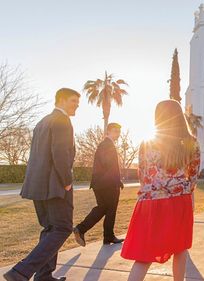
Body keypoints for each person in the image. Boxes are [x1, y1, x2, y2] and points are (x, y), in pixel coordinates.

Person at [3, 88, 80, 281]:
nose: (77, 105)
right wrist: (67, 181)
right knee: (62, 228)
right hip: (55, 187)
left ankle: (44, 275)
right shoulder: (62, 121)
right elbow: (60, 154)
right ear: (61, 100)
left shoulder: (42, 122)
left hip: (38, 186)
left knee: (50, 229)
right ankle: (20, 272)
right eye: (73, 101)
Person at [121, 100, 200, 281]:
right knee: (180, 249)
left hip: (150, 201)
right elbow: (193, 175)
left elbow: (142, 173)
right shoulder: (191, 142)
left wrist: (152, 189)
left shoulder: (147, 142)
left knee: (144, 254)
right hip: (179, 200)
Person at [73, 123, 124, 247]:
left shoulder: (106, 145)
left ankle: (102, 235)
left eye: (119, 131)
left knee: (103, 208)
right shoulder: (107, 145)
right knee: (110, 210)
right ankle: (85, 230)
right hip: (107, 184)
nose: (118, 133)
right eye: (115, 131)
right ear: (108, 132)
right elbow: (108, 165)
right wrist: (116, 180)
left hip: (101, 183)